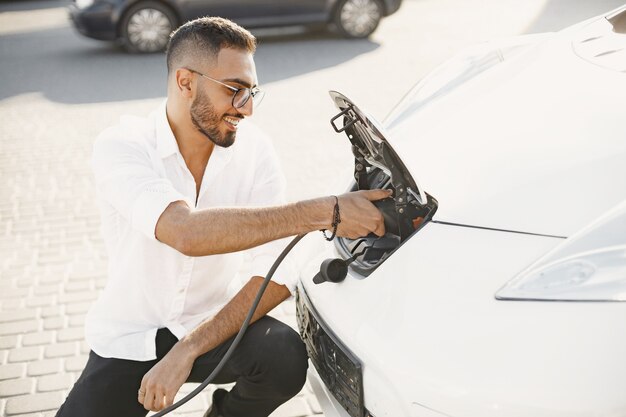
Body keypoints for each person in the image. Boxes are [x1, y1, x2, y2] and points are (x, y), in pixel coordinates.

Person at [56, 16, 389, 417]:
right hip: (129, 338)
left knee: (283, 356)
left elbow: (276, 273)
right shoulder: (123, 145)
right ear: (185, 82)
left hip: (211, 327)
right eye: (235, 90)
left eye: (252, 92)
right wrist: (325, 212)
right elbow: (185, 232)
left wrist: (189, 349)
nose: (246, 109)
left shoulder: (255, 152)